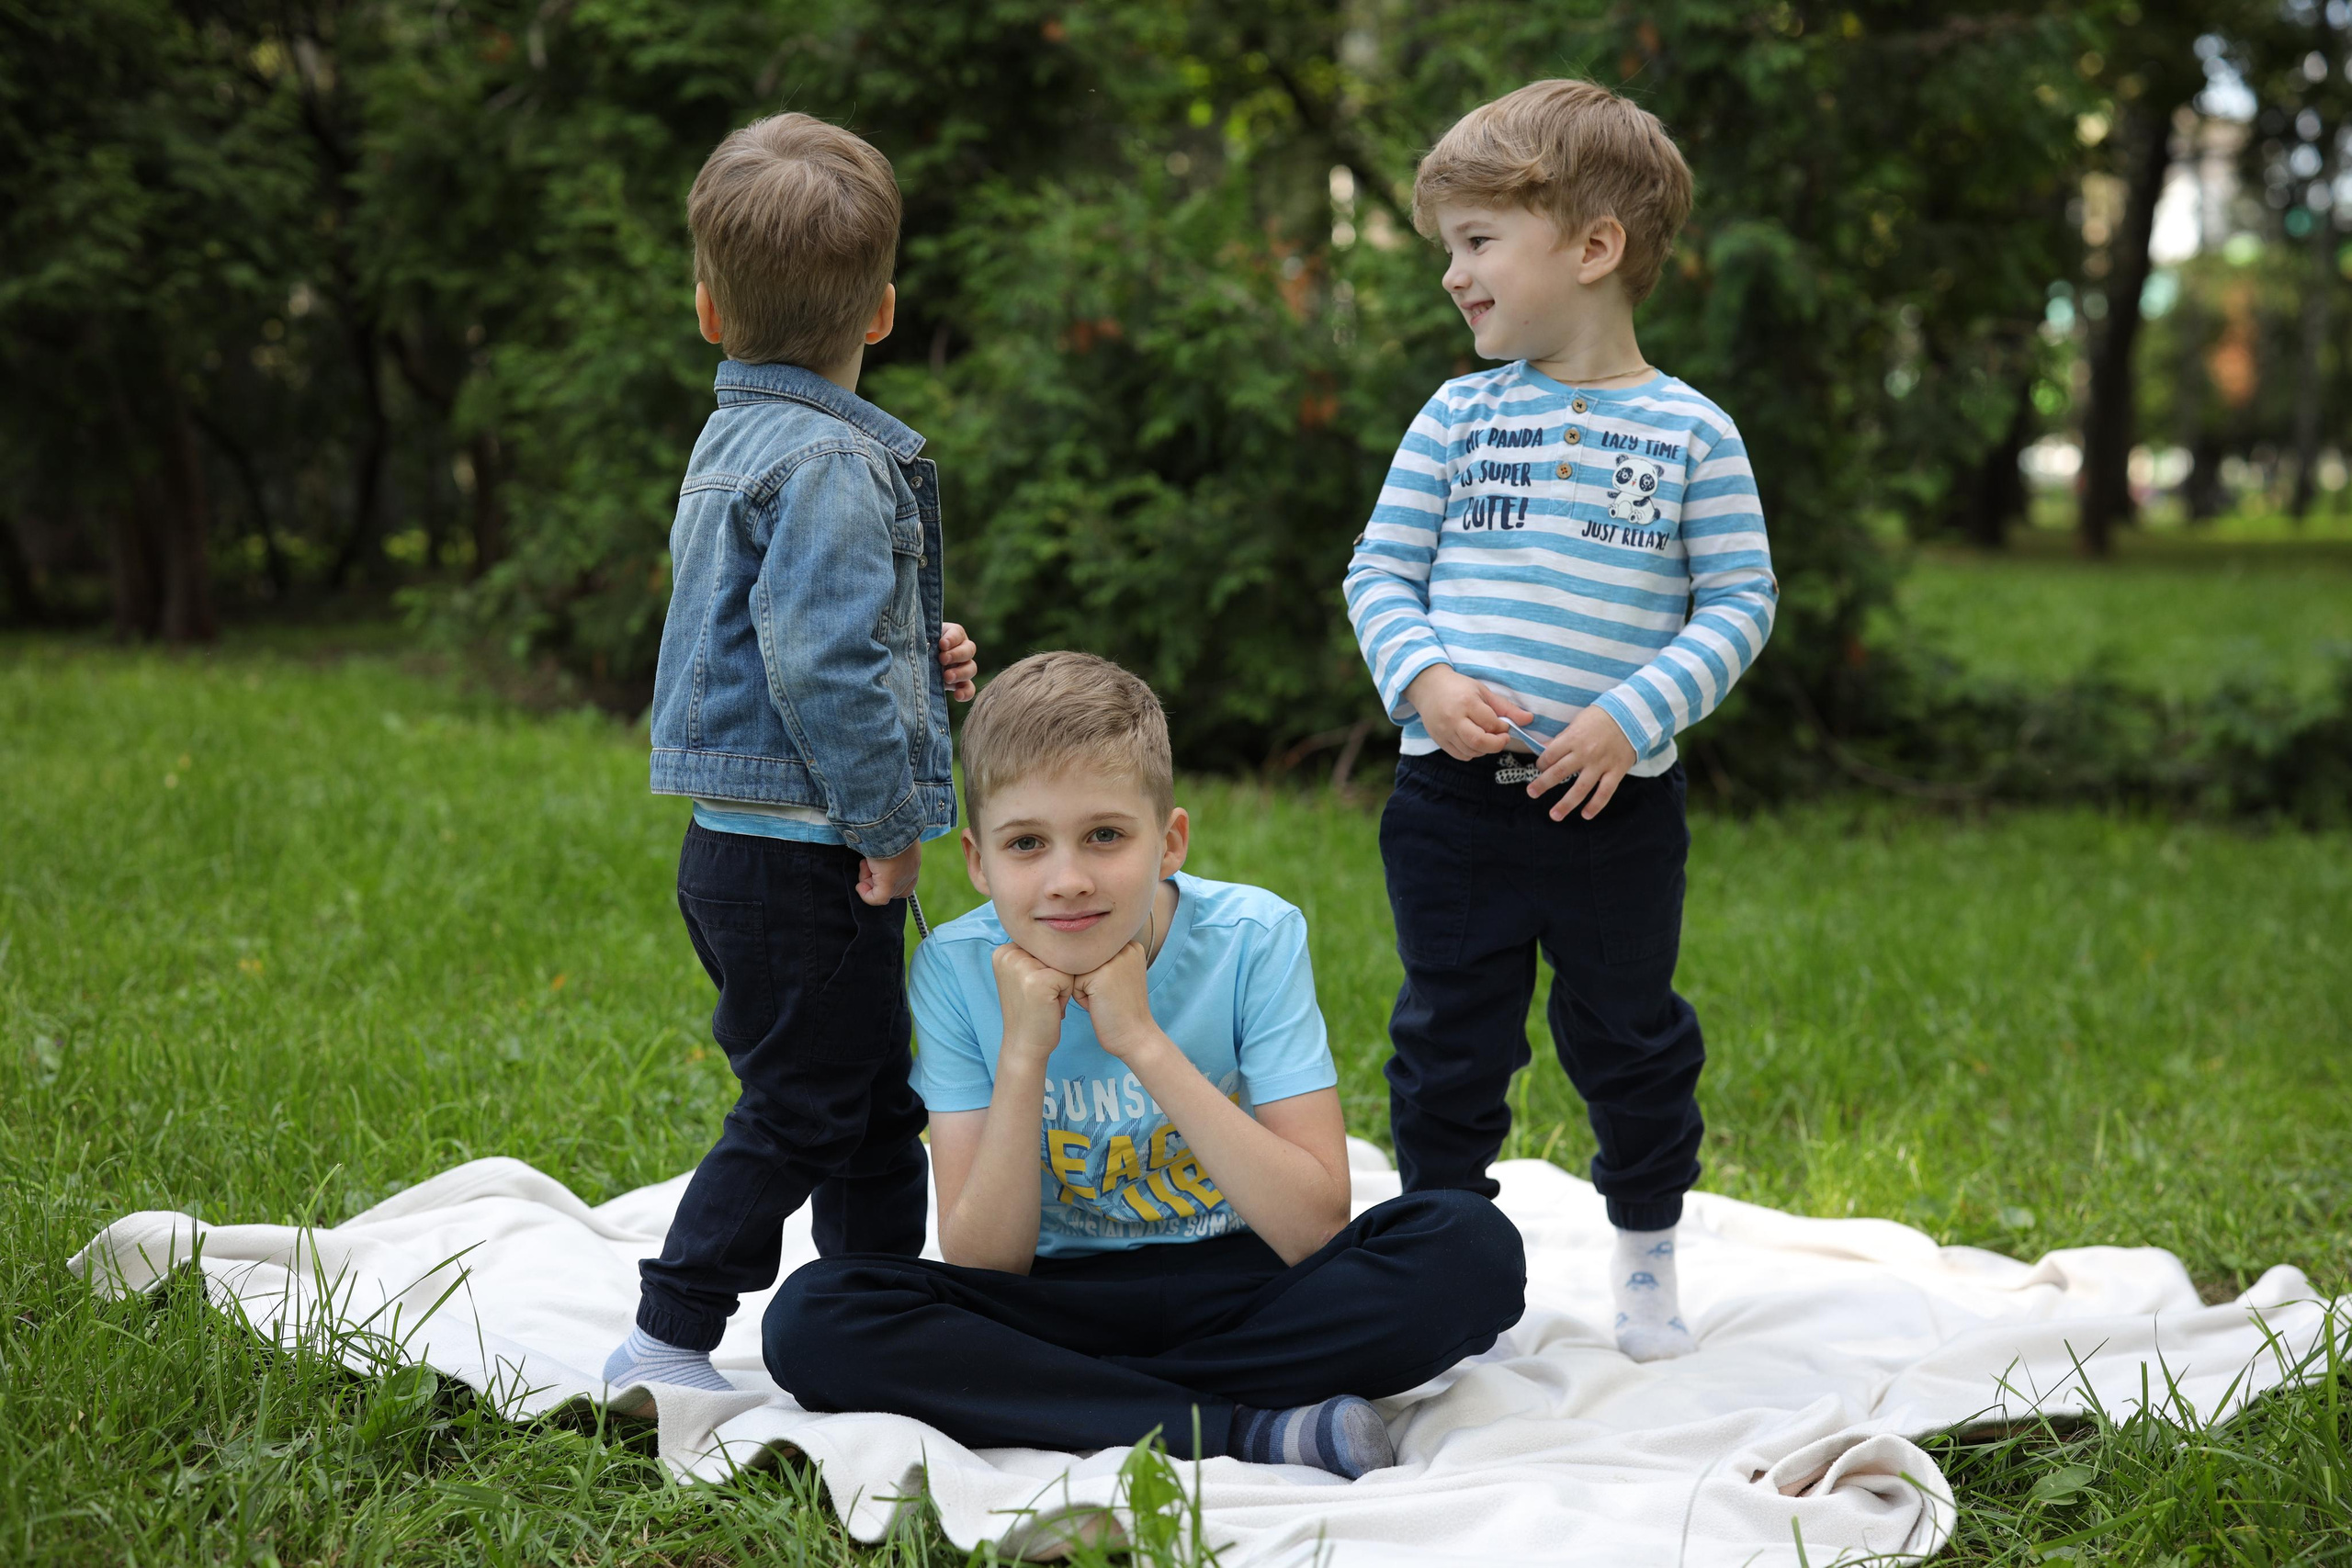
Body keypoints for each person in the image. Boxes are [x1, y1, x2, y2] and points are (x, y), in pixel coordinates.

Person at [765, 652, 1525, 1476]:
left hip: (1247, 1285)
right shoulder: (955, 967)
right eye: (1026, 843)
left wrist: (1141, 1039)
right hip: (1050, 1302)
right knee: (814, 1318)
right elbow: (985, 1262)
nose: (1068, 880)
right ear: (979, 861)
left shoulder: (1255, 937)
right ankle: (1248, 1428)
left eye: (1105, 835)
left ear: (1169, 841)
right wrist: (1023, 1051)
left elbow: (1314, 1227)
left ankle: (1089, 1403)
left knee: (1470, 1247)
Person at [1343, 80, 1777, 1362]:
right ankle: (1444, 1261)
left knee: (1628, 1035)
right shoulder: (1457, 417)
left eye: (1478, 242)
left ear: (1593, 247)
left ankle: (1644, 1255)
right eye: (1450, 247)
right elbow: (1379, 571)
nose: (1453, 275)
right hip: (1452, 804)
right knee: (1446, 1039)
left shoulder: (1692, 433)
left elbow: (1739, 601)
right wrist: (1425, 682)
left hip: (1611, 811)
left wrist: (1633, 715)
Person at [603, 114, 982, 1395]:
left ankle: (874, 1316)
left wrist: (917, 654)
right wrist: (888, 827)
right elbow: (817, 666)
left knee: (872, 1101)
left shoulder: (740, 440)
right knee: (808, 1106)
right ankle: (668, 1330)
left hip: (749, 852)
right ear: (882, 311)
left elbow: (786, 630)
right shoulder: (830, 459)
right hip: (810, 859)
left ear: (708, 311)